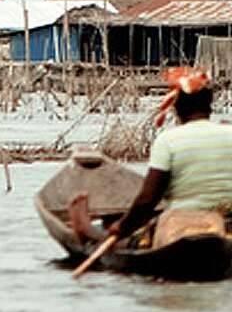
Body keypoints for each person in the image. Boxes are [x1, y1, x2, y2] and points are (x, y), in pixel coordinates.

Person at [87, 69, 232, 248]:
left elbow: (148, 200)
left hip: (182, 223)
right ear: (209, 106)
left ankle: (98, 239)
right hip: (227, 223)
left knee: (136, 240)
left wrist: (122, 227)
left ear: (177, 109)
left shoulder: (168, 140)